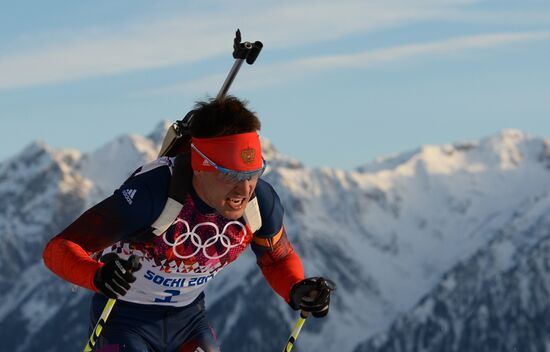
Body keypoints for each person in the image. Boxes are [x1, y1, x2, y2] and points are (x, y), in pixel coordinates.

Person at [43, 96, 335, 352]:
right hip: (122, 318)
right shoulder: (152, 195)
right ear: (201, 165)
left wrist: (296, 288)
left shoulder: (261, 202)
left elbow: (276, 258)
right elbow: (58, 249)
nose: (243, 189)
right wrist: (97, 276)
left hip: (189, 320)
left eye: (252, 173)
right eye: (229, 175)